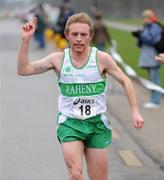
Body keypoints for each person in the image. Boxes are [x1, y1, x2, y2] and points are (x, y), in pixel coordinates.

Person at [17, 13, 144, 180]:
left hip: (96, 124)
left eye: (83, 34)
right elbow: (24, 69)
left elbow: (125, 81)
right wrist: (25, 40)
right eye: (74, 34)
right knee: (75, 174)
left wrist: (135, 111)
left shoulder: (101, 59)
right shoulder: (58, 59)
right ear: (67, 35)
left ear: (90, 36)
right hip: (70, 123)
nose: (78, 39)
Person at [132, 9, 162, 108]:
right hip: (148, 57)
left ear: (150, 18)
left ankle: (155, 101)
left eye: (146, 17)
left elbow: (152, 40)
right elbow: (141, 43)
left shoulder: (155, 27)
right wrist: (138, 36)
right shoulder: (146, 27)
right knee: (151, 80)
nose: (144, 19)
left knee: (155, 79)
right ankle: (153, 99)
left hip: (154, 57)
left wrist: (141, 34)